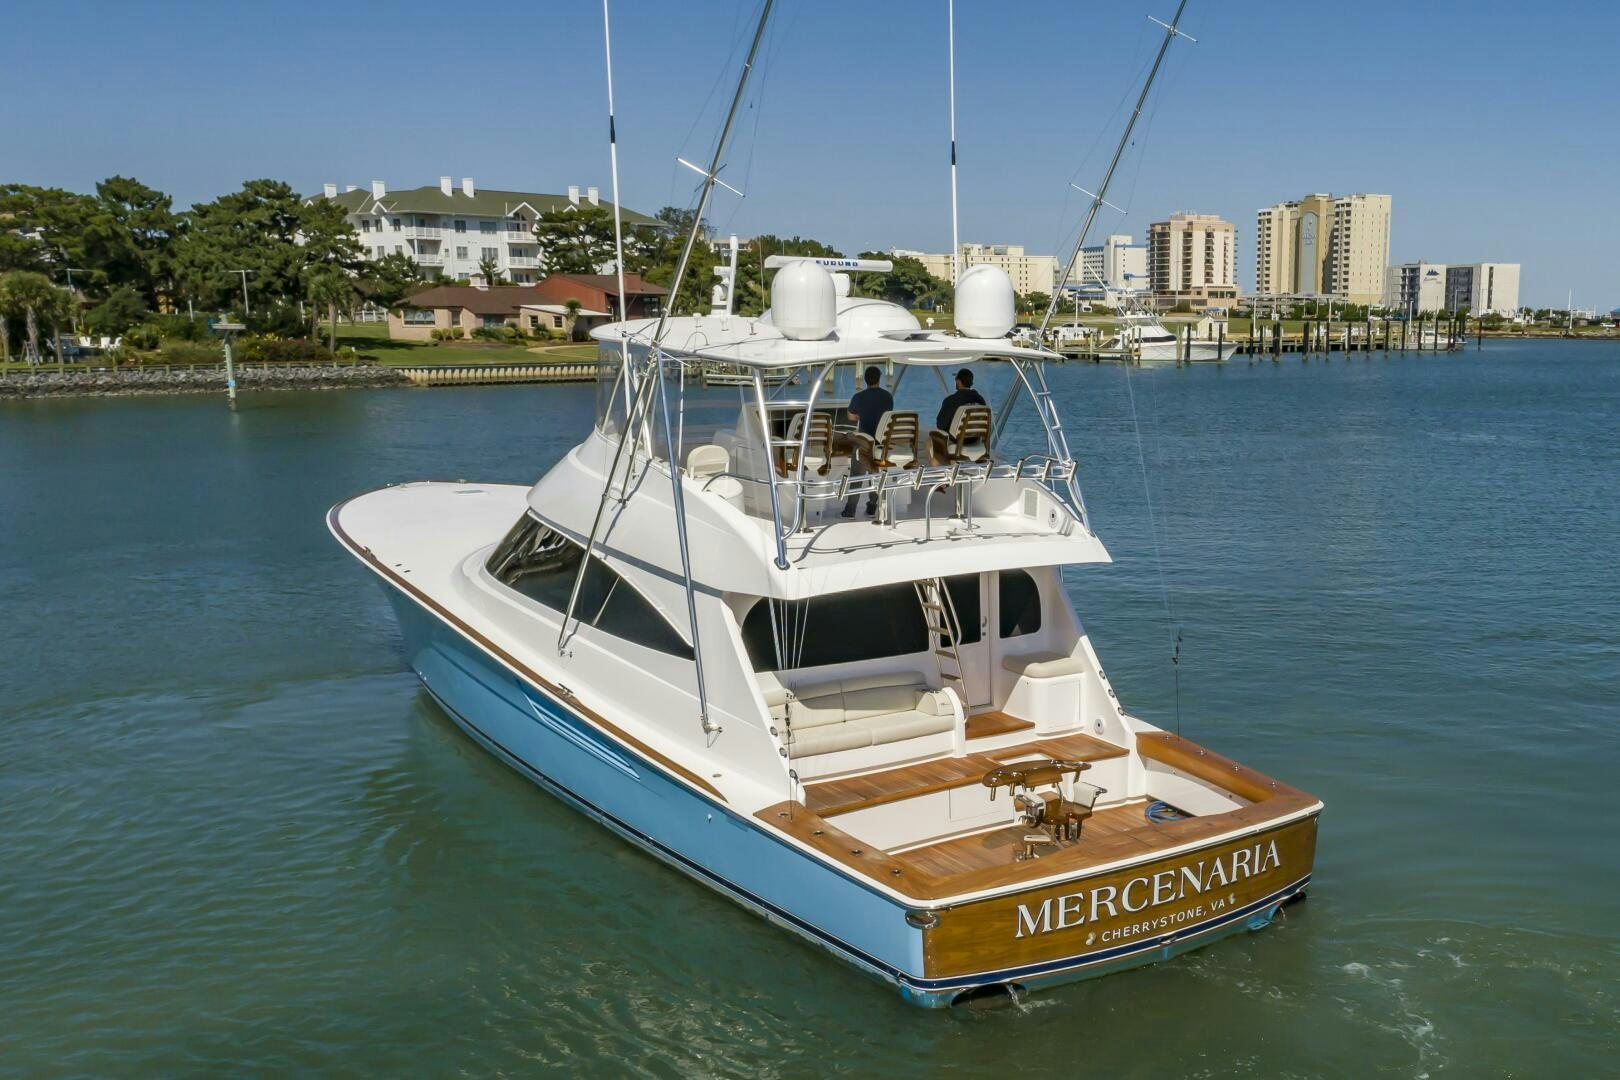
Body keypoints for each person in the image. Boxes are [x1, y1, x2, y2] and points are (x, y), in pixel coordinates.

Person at [841, 365, 892, 517]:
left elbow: (851, 416)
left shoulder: (858, 397)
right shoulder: (888, 397)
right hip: (881, 444)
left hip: (864, 442)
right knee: (875, 473)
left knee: (856, 474)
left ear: (865, 380)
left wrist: (860, 415)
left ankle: (850, 510)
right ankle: (872, 506)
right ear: (879, 378)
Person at [929, 368, 987, 463]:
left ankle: (940, 473)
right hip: (975, 440)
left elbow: (940, 425)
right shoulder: (981, 400)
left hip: (958, 442)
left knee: (931, 441)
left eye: (956, 379)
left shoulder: (951, 400)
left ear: (959, 382)